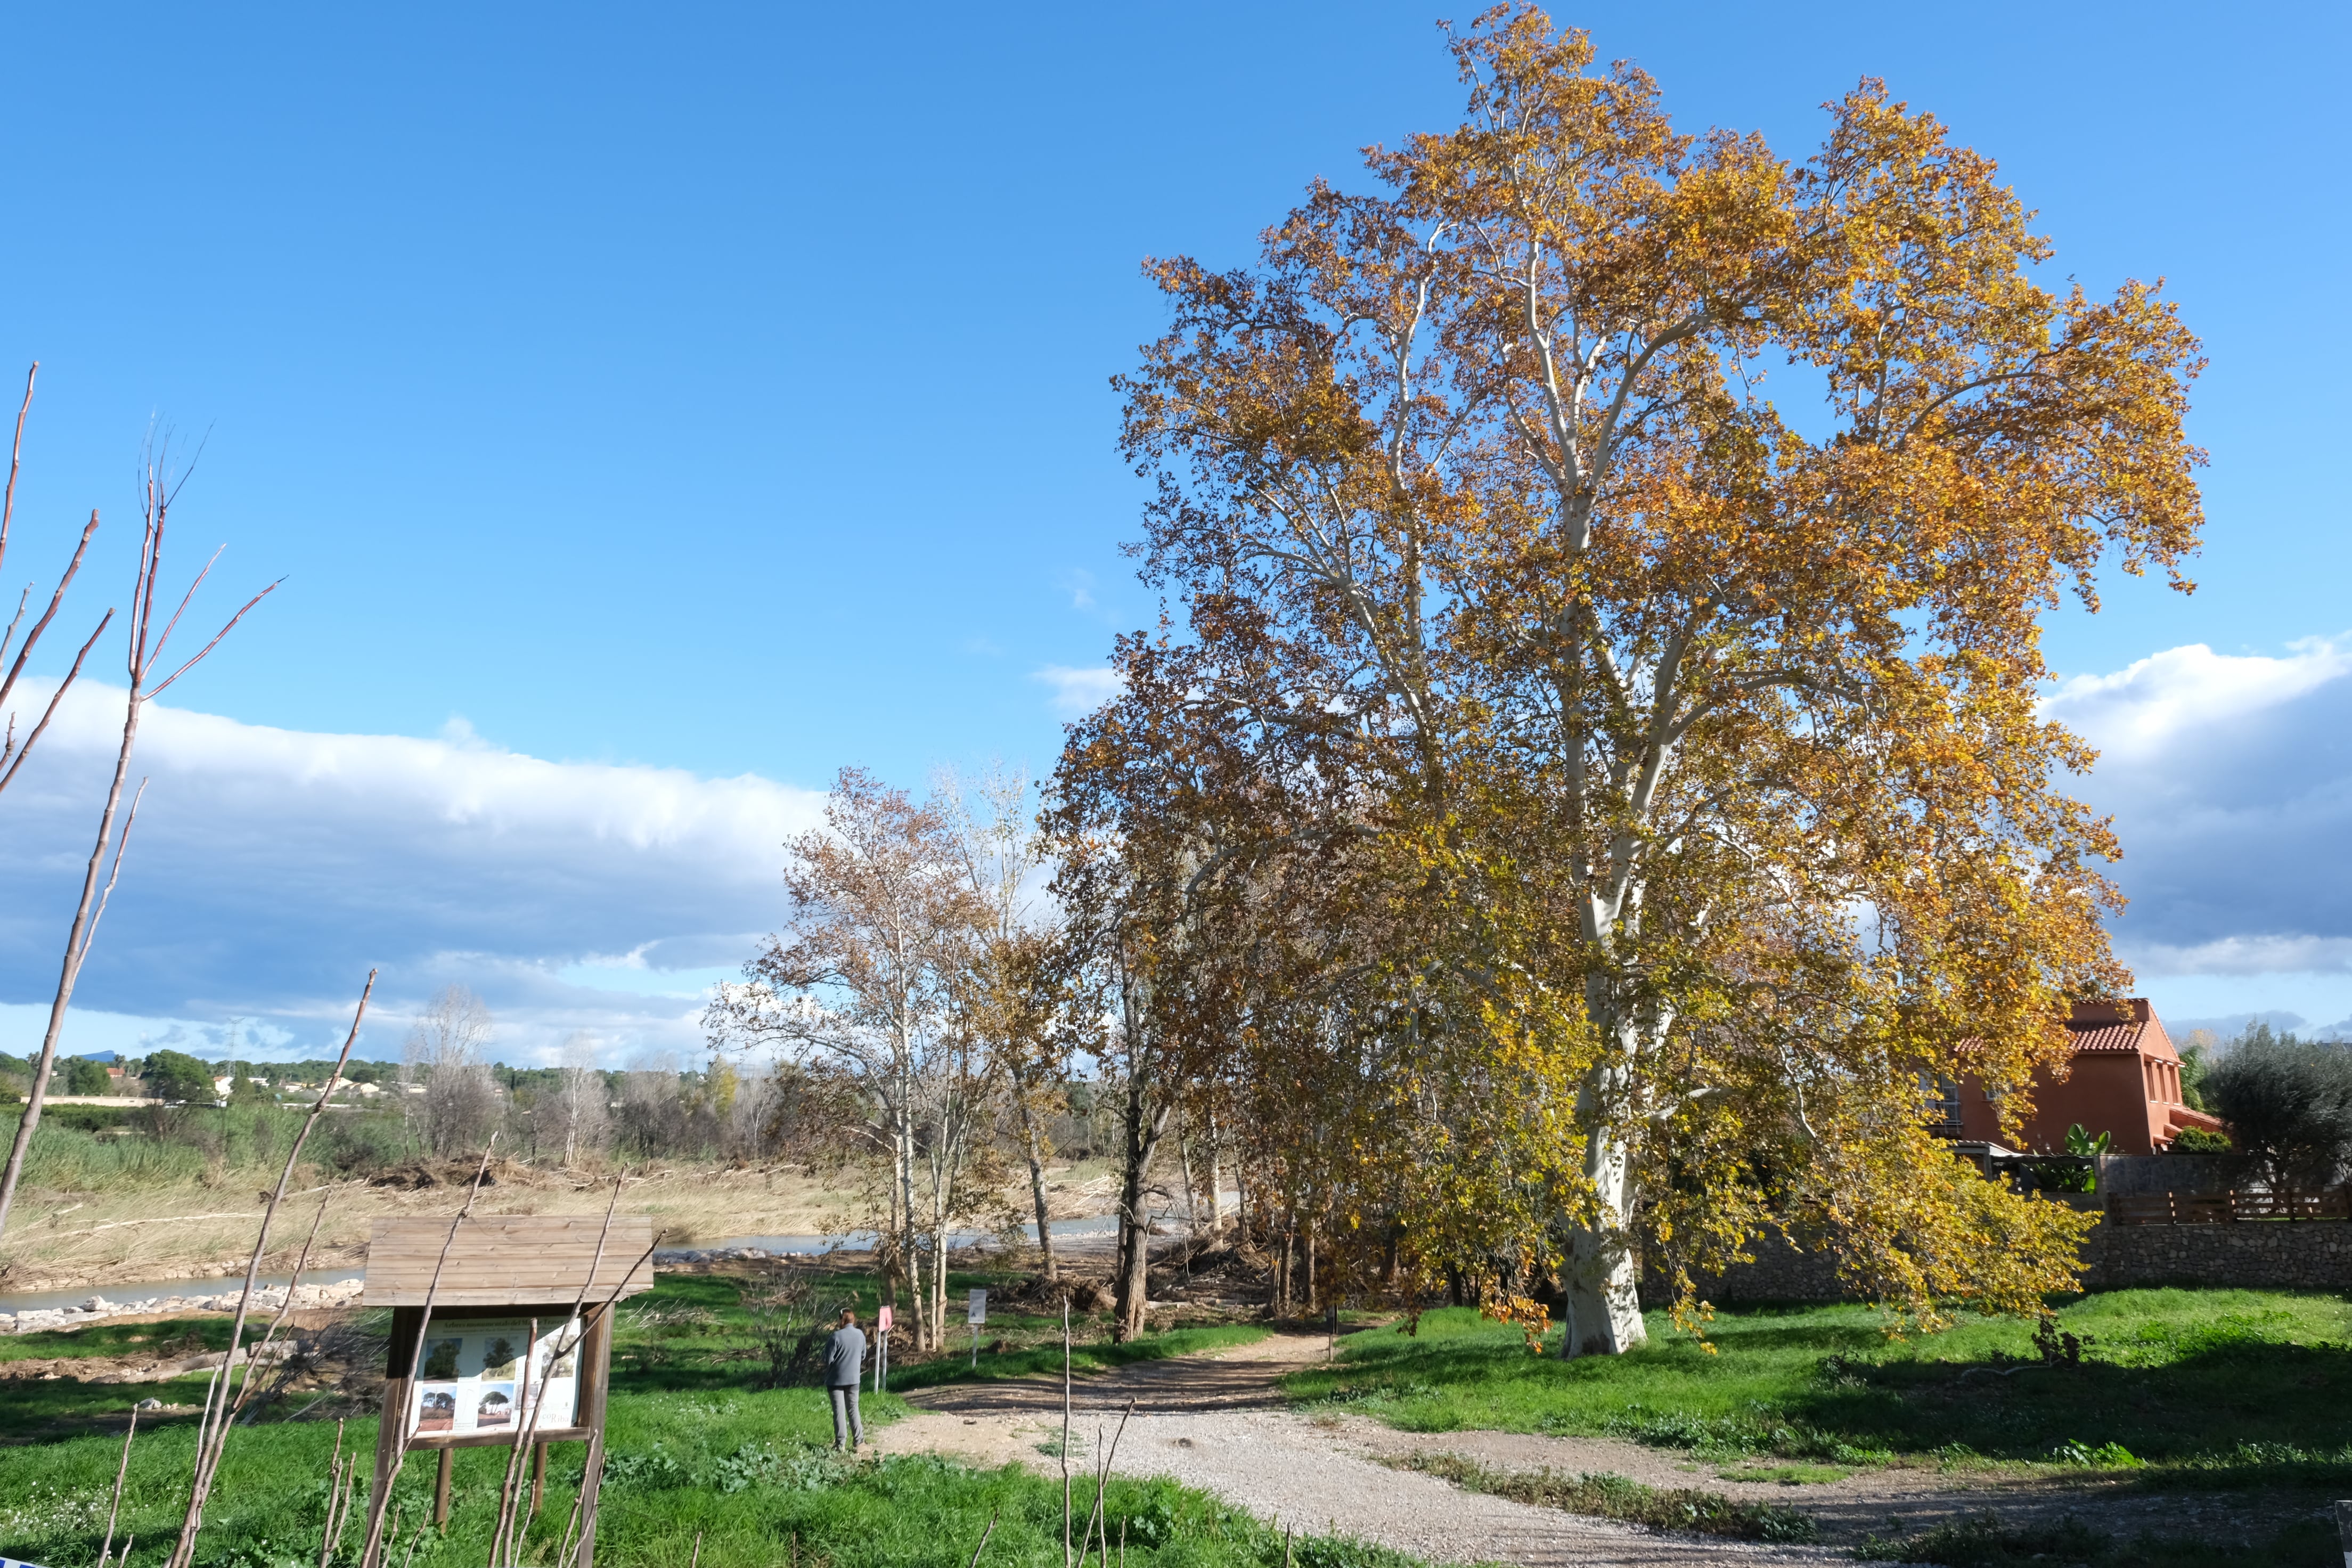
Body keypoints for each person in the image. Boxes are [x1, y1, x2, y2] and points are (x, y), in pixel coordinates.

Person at [826, 1308, 867, 1451]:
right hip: (854, 1379)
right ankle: (859, 1442)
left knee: (839, 1411)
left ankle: (840, 1444)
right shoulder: (860, 1335)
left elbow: (828, 1359)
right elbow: (863, 1356)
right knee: (853, 1409)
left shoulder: (836, 1337)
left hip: (835, 1380)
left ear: (841, 1320)